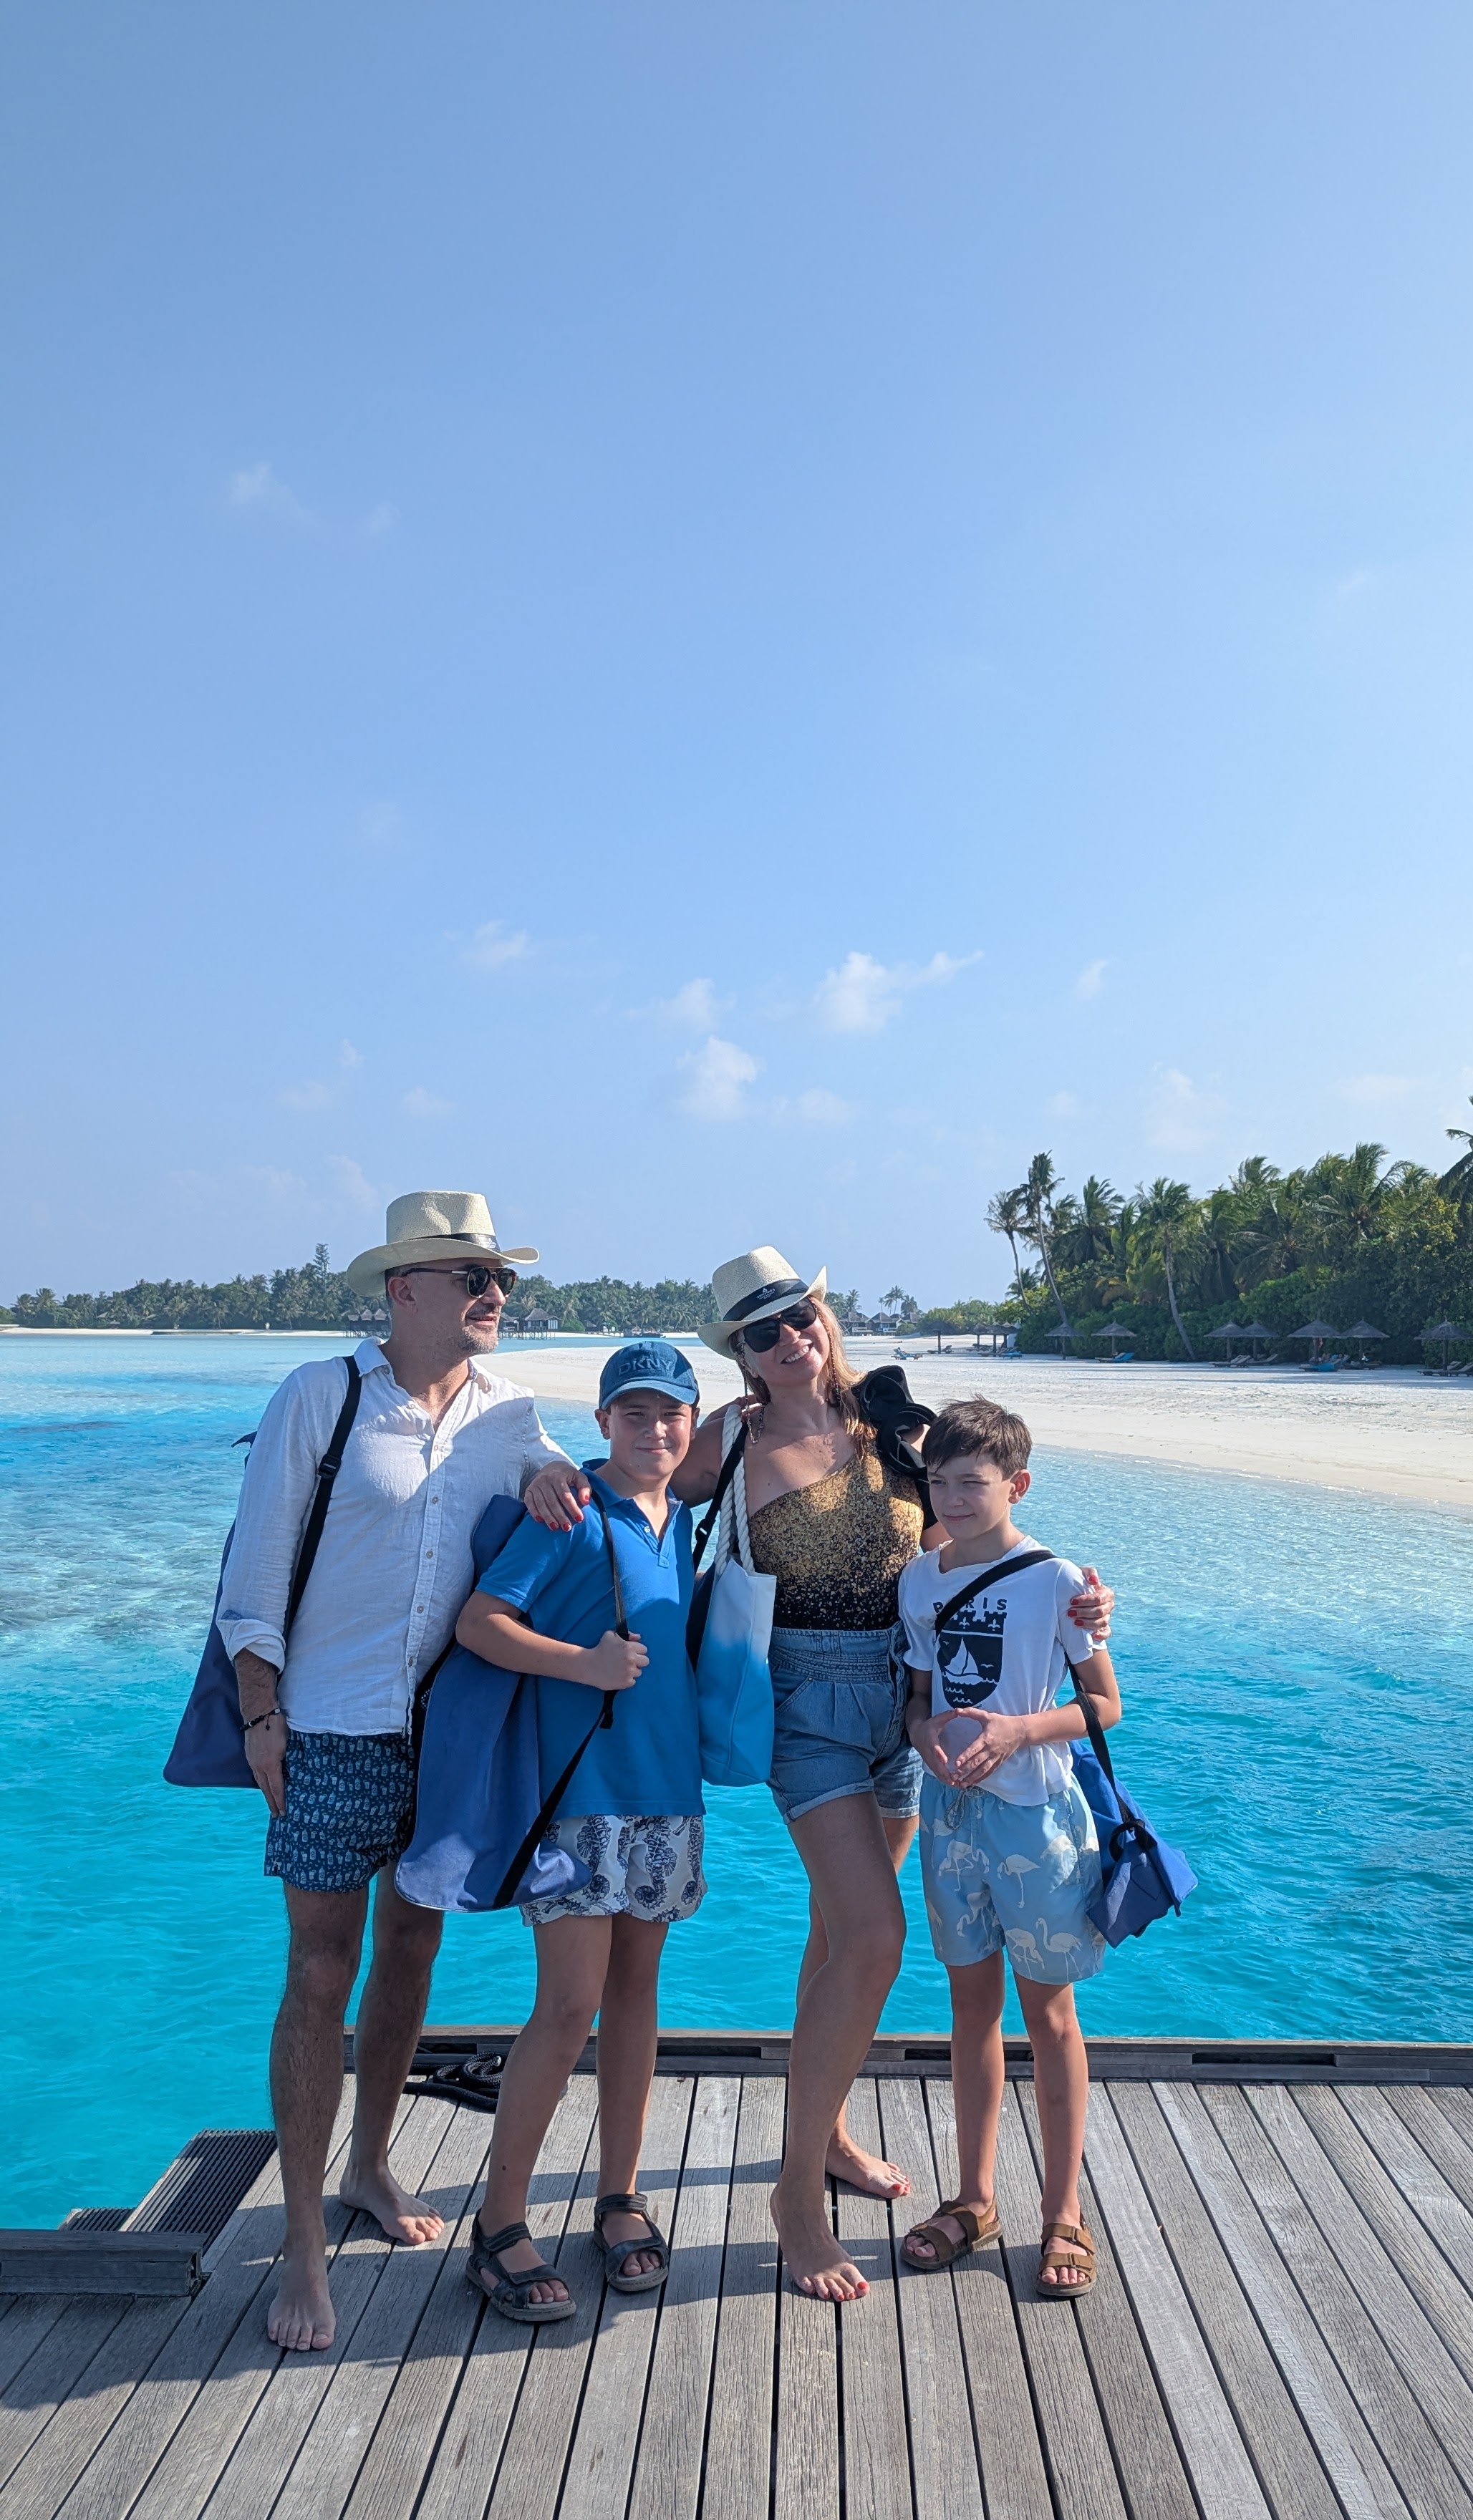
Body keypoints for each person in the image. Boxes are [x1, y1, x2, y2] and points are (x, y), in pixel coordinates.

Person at [524, 1249, 1111, 2303]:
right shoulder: (728, 1437)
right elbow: (635, 1476)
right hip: (803, 1709)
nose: (790, 1339)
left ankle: (827, 2131)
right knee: (875, 1937)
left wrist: (1078, 1606)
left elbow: (968, 1540)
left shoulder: (892, 1424)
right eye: (764, 1331)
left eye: (800, 1316)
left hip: (909, 1704)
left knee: (835, 1936)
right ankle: (795, 2197)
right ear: (742, 1353)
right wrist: (548, 1470)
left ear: (823, 1315)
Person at [218, 1189, 581, 2352]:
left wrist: (550, 1476)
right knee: (320, 1970)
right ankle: (301, 2243)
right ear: (404, 1290)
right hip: (325, 1727)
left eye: (501, 1279)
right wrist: (260, 1712)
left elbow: (566, 1480)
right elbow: (255, 1573)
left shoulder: (509, 1412)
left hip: (447, 1734)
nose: (495, 1294)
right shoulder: (320, 1396)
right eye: (473, 1277)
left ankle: (371, 2163)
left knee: (413, 1946)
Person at [454, 1340, 705, 2320]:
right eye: (634, 1413)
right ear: (602, 1422)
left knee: (636, 1996)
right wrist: (581, 1664)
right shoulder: (567, 1511)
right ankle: (499, 2224)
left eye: (671, 1413)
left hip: (668, 1793)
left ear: (692, 1423)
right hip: (576, 1799)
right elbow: (481, 1623)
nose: (654, 1430)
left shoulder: (684, 1519)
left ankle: (619, 2196)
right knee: (566, 2007)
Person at [896, 1397, 1120, 2297]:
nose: (952, 1499)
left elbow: (1103, 1704)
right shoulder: (920, 1579)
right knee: (970, 2011)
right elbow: (916, 1701)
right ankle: (973, 2197)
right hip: (949, 1816)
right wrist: (922, 1738)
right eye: (938, 1482)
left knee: (1050, 2015)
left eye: (972, 1483)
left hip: (1036, 1817)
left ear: (1015, 1484)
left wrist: (1020, 1730)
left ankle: (1063, 2210)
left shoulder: (1056, 1579)